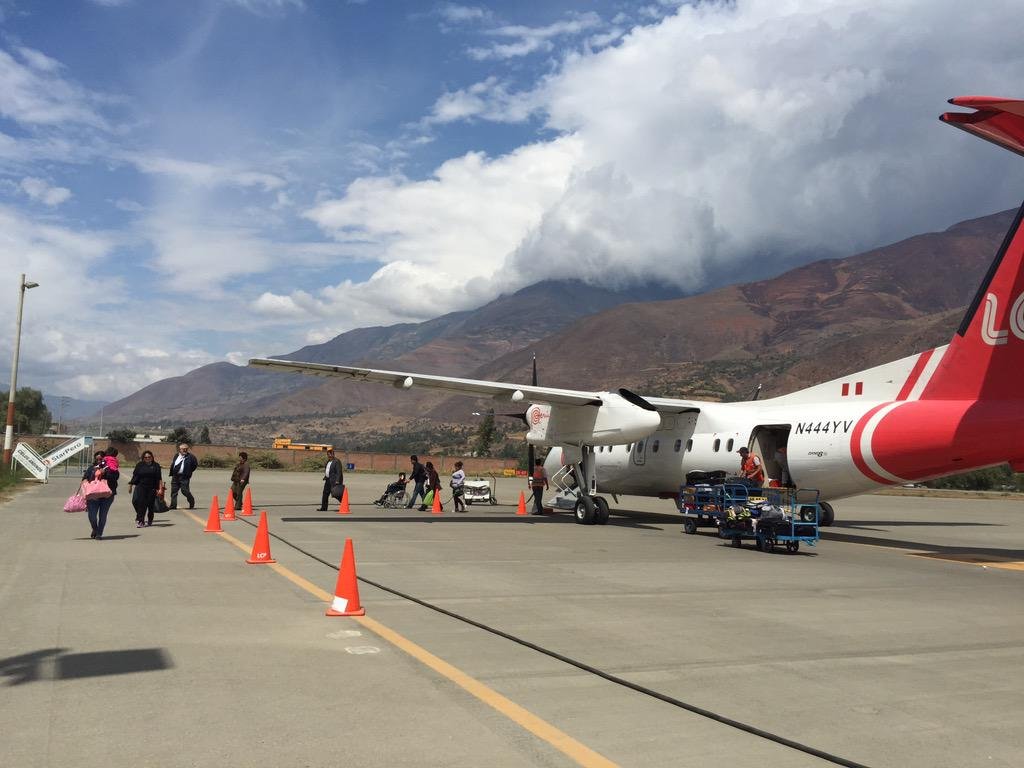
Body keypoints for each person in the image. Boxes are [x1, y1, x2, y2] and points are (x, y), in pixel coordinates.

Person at [82, 453, 115, 539]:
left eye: (101, 459)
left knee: (102, 515)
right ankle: (95, 529)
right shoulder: (91, 468)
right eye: (97, 459)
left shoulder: (110, 468)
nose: (99, 461)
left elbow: (115, 478)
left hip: (107, 496)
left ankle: (99, 533)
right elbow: (85, 478)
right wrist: (85, 483)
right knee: (92, 516)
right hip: (93, 496)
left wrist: (106, 473)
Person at [127, 450, 163, 528]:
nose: (147, 458)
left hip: (152, 487)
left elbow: (159, 478)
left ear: (152, 457)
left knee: (150, 505)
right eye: (145, 457)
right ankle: (141, 521)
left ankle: (150, 519)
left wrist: (160, 489)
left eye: (149, 457)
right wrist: (130, 485)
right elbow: (135, 476)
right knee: (141, 504)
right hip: (141, 487)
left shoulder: (156, 465)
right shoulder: (140, 465)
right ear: (143, 458)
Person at [168, 442, 198, 510]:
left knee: (185, 491)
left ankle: (191, 501)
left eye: (186, 449)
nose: (185, 450)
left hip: (184, 477)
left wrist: (188, 471)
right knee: (174, 492)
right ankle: (173, 506)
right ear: (179, 449)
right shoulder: (176, 456)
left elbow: (194, 465)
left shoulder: (191, 457)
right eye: (183, 449)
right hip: (175, 476)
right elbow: (174, 464)